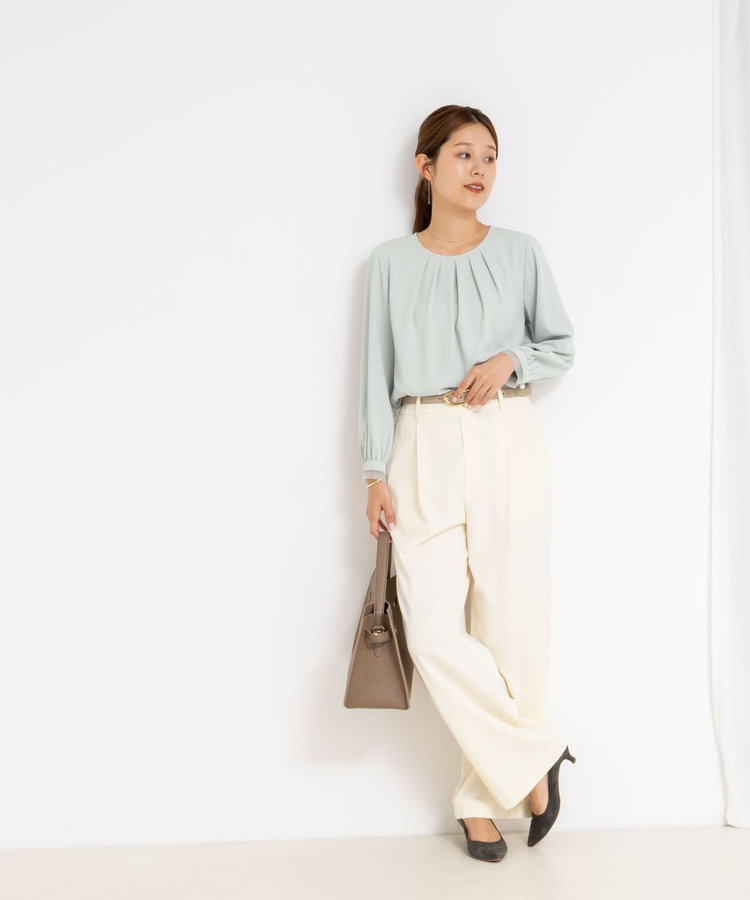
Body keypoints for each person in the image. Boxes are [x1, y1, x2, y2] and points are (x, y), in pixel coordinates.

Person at [357, 104, 577, 862]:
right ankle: (536, 757)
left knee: (512, 624)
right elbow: (374, 374)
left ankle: (481, 802)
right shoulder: (389, 263)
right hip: (420, 439)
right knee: (432, 630)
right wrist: (374, 469)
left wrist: (510, 359)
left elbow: (560, 345)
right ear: (426, 167)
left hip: (505, 433)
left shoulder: (520, 251)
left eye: (489, 156)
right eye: (462, 154)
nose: (479, 169)